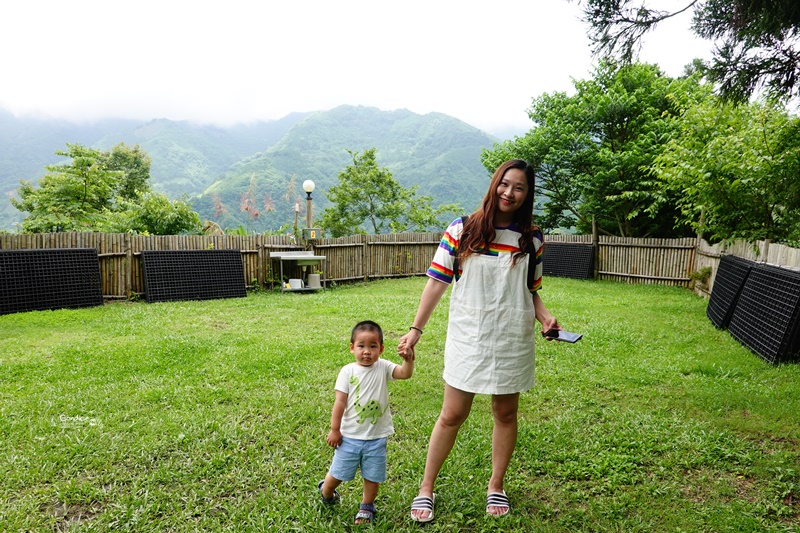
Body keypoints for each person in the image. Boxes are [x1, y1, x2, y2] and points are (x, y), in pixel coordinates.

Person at [398, 159, 562, 522]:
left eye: (519, 187)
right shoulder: (463, 229)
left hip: (511, 338)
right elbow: (437, 282)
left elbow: (532, 291)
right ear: (494, 184)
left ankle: (496, 485)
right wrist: (415, 329)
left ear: (527, 194)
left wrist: (546, 317)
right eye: (505, 184)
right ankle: (426, 488)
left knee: (505, 413)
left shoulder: (531, 239)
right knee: (452, 414)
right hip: (469, 336)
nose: (510, 193)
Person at [319, 320, 415, 525]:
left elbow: (405, 374)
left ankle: (367, 505)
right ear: (352, 347)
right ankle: (326, 491)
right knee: (338, 474)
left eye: (373, 346)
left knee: (373, 475)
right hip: (349, 437)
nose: (367, 352)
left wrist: (408, 360)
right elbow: (339, 402)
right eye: (361, 346)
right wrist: (335, 430)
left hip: (376, 437)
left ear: (381, 348)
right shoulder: (347, 372)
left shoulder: (383, 367)